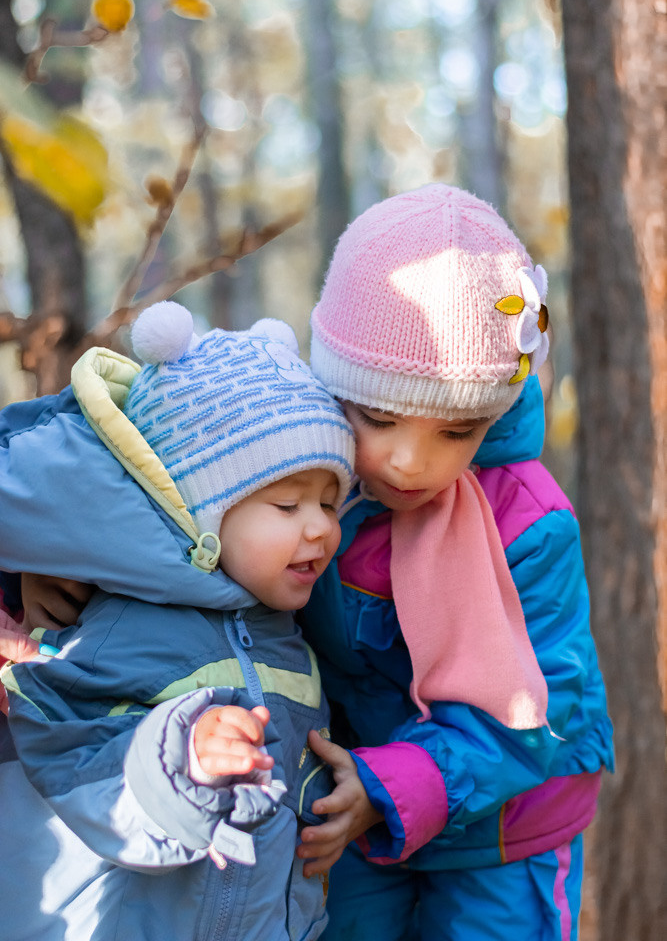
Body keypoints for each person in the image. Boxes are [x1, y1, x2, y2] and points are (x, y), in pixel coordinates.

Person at [290, 184, 613, 940]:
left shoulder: (527, 524)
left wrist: (389, 784)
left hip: (504, 831)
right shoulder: (300, 483)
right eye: (378, 418)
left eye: (456, 431)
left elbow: (538, 707)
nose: (410, 463)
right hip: (353, 809)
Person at [0, 301, 358, 941]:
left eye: (331, 502)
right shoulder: (119, 623)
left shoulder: (286, 642)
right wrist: (181, 761)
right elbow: (67, 758)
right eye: (286, 502)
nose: (320, 527)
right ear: (201, 513)